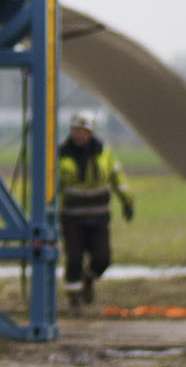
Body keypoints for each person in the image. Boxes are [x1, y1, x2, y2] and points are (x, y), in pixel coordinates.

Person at [56, 113, 134, 310]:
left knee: (102, 258)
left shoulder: (103, 153)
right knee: (73, 258)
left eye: (83, 131)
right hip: (72, 218)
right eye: (76, 131)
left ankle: (88, 280)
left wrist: (127, 202)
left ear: (90, 133)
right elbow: (50, 187)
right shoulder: (60, 155)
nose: (80, 135)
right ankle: (74, 300)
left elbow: (117, 178)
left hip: (98, 217)